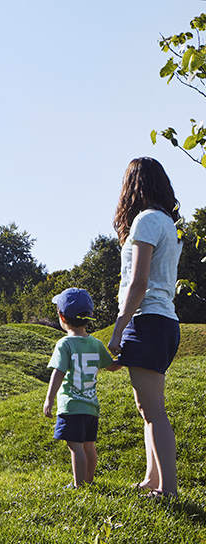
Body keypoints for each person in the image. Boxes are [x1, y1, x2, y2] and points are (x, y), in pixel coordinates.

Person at [106, 157, 182, 498]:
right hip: (164, 321)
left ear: (132, 186)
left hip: (147, 320)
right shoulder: (168, 223)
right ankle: (152, 480)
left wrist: (120, 326)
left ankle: (168, 490)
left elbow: (138, 283)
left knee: (154, 411)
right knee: (146, 409)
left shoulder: (146, 221)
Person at [43, 288, 119, 487]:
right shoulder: (96, 343)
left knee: (75, 447)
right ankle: (89, 481)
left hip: (72, 406)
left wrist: (49, 399)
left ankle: (79, 486)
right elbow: (112, 366)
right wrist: (128, 354)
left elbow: (58, 372)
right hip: (91, 406)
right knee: (89, 446)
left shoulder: (65, 344)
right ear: (90, 316)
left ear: (61, 317)